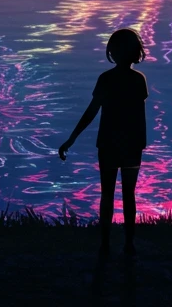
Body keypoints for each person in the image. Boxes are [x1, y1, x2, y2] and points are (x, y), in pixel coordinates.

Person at [59, 28, 148, 257]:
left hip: (108, 143)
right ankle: (129, 243)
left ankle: (106, 243)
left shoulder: (106, 79)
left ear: (113, 52)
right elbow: (140, 116)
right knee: (129, 194)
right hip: (131, 146)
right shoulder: (138, 80)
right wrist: (141, 143)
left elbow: (91, 112)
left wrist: (72, 137)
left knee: (107, 193)